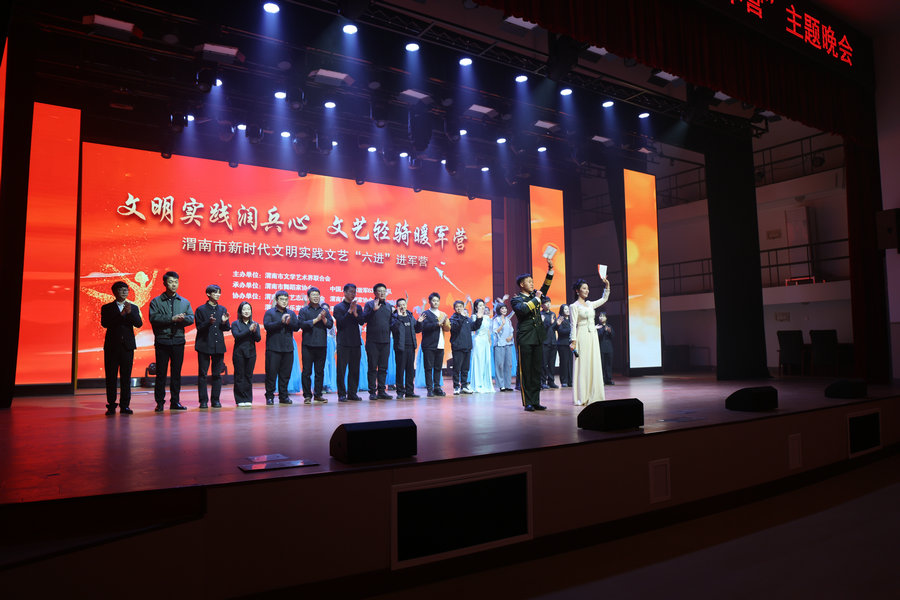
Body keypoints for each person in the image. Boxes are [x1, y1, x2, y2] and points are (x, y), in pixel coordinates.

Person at [511, 259, 554, 411]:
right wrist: (537, 298)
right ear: (522, 284)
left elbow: (545, 287)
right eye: (529, 282)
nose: (532, 284)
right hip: (525, 338)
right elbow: (524, 310)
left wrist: (550, 270)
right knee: (526, 371)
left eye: (532, 281)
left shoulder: (534, 297)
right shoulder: (516, 299)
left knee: (537, 370)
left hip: (537, 337)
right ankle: (527, 401)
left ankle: (535, 401)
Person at [148, 271, 194, 412]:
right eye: (171, 282)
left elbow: (191, 318)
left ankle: (175, 401)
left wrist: (182, 319)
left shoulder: (184, 302)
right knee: (161, 374)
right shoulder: (156, 301)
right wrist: (171, 319)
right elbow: (153, 318)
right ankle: (160, 403)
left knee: (176, 374)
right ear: (164, 283)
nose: (174, 285)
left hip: (178, 341)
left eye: (176, 282)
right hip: (162, 341)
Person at [100, 281, 143, 415]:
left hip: (127, 347)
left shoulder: (133, 307)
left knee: (126, 377)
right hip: (112, 347)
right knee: (111, 377)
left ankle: (125, 405)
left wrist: (129, 313)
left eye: (126, 290)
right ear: (114, 292)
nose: (124, 292)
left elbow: (139, 323)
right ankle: (111, 405)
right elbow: (105, 323)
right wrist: (121, 314)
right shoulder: (107, 307)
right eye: (121, 290)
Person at [569, 277, 611, 406]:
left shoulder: (590, 304)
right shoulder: (574, 306)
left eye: (587, 288)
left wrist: (607, 286)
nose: (587, 291)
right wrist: (573, 341)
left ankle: (594, 394)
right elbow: (573, 324)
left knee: (594, 363)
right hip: (581, 336)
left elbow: (604, 299)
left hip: (593, 336)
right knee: (583, 365)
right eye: (584, 288)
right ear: (577, 291)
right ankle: (583, 396)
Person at [194, 284, 231, 408]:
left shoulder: (222, 309)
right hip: (204, 345)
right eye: (215, 292)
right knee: (203, 375)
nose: (218, 295)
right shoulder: (201, 309)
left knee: (217, 374)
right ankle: (203, 401)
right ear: (208, 294)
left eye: (219, 292)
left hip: (218, 346)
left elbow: (226, 328)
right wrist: (208, 323)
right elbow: (199, 327)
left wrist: (224, 322)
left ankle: (215, 400)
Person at [263, 290, 300, 405]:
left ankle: (283, 396)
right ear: (276, 300)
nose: (284, 302)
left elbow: (297, 327)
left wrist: (288, 323)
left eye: (286, 299)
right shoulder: (270, 313)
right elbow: (267, 326)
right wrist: (281, 322)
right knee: (271, 374)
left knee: (285, 375)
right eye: (282, 299)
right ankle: (269, 396)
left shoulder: (291, 313)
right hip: (273, 349)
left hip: (288, 348)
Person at [298, 287, 333, 403]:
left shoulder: (324, 310)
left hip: (321, 345)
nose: (316, 297)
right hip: (308, 345)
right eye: (313, 295)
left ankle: (318, 394)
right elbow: (301, 324)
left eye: (317, 295)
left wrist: (323, 319)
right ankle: (307, 396)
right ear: (308, 297)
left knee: (320, 372)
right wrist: (316, 319)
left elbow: (330, 324)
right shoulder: (304, 310)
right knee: (306, 372)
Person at [332, 283, 365, 402]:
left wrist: (355, 313)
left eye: (354, 292)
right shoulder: (338, 307)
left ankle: (352, 393)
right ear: (345, 292)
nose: (353, 294)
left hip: (356, 342)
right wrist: (349, 311)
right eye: (351, 292)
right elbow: (340, 323)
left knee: (354, 369)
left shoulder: (358, 307)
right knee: (341, 370)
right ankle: (341, 394)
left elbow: (361, 321)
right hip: (343, 342)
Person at [362, 283, 393, 400]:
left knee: (383, 368)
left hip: (386, 341)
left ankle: (381, 391)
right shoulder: (369, 305)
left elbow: (391, 323)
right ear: (375, 293)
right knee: (372, 367)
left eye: (384, 291)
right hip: (373, 342)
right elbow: (364, 319)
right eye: (379, 291)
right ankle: (372, 392)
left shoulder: (389, 306)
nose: (382, 293)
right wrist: (373, 310)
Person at [419, 292, 451, 397]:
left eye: (437, 301)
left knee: (438, 367)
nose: (435, 302)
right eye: (433, 300)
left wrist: (445, 322)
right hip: (429, 344)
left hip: (440, 344)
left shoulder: (442, 314)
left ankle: (437, 387)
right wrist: (437, 323)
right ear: (429, 302)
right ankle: (429, 389)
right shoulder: (425, 314)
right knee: (428, 368)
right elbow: (424, 327)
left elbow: (447, 328)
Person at [390, 298, 422, 398]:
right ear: (397, 307)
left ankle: (409, 391)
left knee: (410, 370)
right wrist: (399, 317)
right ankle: (400, 391)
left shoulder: (410, 316)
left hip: (411, 347)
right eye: (400, 305)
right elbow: (394, 329)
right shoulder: (394, 317)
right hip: (400, 347)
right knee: (400, 370)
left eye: (404, 305)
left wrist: (419, 322)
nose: (402, 307)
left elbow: (417, 330)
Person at [231, 301, 260, 406]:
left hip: (251, 353)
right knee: (239, 376)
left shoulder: (255, 324)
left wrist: (254, 331)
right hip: (239, 353)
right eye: (244, 309)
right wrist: (249, 330)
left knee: (248, 376)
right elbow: (237, 336)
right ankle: (239, 399)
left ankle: (248, 399)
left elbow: (258, 339)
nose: (246, 311)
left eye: (248, 309)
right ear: (240, 311)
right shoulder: (235, 324)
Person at [449, 300, 478, 395]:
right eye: (457, 306)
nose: (459, 308)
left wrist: (479, 318)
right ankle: (456, 386)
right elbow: (455, 328)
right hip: (457, 347)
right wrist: (461, 317)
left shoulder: (467, 319)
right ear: (454, 308)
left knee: (465, 369)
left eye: (461, 306)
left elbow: (474, 327)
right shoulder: (453, 319)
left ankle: (464, 386)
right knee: (457, 368)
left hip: (467, 346)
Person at [469, 299, 495, 393]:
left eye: (483, 305)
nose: (482, 307)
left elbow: (488, 330)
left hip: (485, 341)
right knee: (478, 362)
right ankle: (478, 385)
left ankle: (486, 384)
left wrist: (489, 340)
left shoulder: (487, 317)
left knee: (486, 362)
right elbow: (475, 327)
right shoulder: (473, 316)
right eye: (480, 305)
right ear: (476, 307)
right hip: (478, 340)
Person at [492, 303, 514, 392]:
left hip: (508, 344)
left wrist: (511, 337)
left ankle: (508, 385)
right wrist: (501, 325)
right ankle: (501, 385)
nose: (504, 310)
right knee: (500, 365)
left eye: (505, 308)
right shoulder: (496, 320)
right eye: (502, 309)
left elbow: (511, 331)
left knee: (508, 365)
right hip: (499, 344)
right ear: (499, 310)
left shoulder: (508, 320)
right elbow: (495, 331)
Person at [540, 297, 559, 389]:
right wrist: (547, 323)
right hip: (544, 342)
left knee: (552, 363)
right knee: (544, 363)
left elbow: (554, 328)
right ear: (542, 305)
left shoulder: (553, 314)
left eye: (549, 302)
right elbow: (540, 329)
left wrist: (557, 324)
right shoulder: (540, 315)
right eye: (546, 303)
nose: (548, 304)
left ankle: (551, 381)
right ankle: (543, 382)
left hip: (553, 342)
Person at [555, 304, 574, 387]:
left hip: (570, 344)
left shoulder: (571, 320)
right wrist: (571, 330)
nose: (567, 310)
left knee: (570, 363)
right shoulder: (560, 319)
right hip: (562, 344)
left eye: (568, 309)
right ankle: (564, 381)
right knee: (564, 363)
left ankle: (570, 380)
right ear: (562, 310)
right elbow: (561, 331)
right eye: (565, 309)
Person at [597, 312, 615, 385]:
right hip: (601, 348)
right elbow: (598, 336)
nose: (601, 318)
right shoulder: (598, 327)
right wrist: (603, 330)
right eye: (600, 316)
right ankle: (602, 380)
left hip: (609, 348)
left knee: (609, 364)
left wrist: (610, 331)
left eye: (603, 316)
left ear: (606, 318)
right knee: (602, 364)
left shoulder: (609, 326)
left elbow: (613, 336)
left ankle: (609, 379)